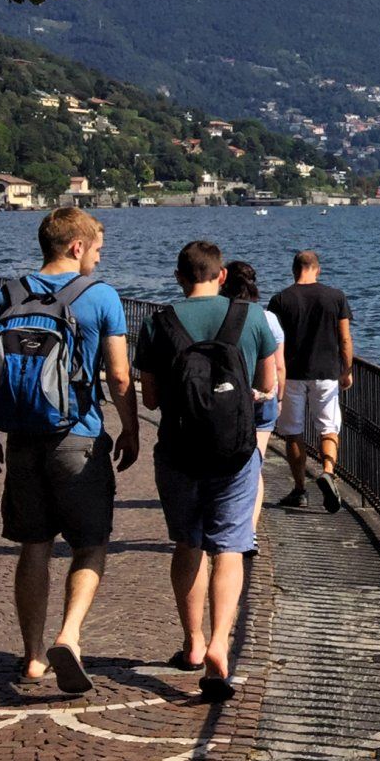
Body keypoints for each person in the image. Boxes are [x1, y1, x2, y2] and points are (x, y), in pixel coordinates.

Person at [0, 208, 138, 695]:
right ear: (77, 247)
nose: (100, 257)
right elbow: (121, 377)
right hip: (79, 440)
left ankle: (33, 657)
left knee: (34, 546)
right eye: (99, 248)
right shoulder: (100, 296)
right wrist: (131, 430)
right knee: (90, 543)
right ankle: (70, 635)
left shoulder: (7, 293)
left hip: (22, 440)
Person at [134, 240, 276, 699]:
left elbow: (150, 399)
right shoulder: (251, 317)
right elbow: (268, 387)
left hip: (177, 451)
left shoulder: (158, 322)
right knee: (230, 548)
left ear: (179, 277)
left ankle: (193, 643)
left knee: (188, 543)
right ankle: (220, 646)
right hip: (235, 453)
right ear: (220, 275)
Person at [267, 250, 353, 514]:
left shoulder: (280, 300)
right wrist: (346, 370)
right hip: (326, 372)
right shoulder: (335, 297)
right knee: (328, 428)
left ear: (294, 270)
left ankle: (300, 489)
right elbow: (345, 339)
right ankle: (328, 471)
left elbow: (273, 342)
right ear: (318, 269)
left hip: (292, 374)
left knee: (293, 432)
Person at [223, 261, 285, 533]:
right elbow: (278, 366)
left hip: (228, 398)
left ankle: (226, 521)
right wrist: (278, 397)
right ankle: (250, 530)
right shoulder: (267, 317)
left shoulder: (220, 313)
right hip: (263, 398)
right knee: (254, 465)